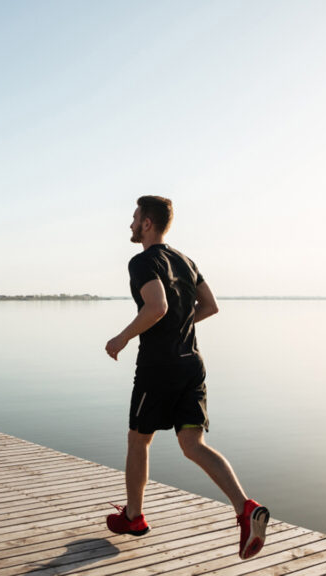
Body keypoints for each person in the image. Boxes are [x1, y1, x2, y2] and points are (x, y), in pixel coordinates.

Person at [104, 195, 269, 560]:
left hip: (158, 367)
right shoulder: (186, 261)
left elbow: (157, 306)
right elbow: (209, 306)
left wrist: (123, 337)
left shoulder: (143, 261)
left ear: (148, 223)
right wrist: (181, 325)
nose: (130, 224)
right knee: (193, 445)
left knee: (138, 440)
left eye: (134, 218)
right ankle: (245, 508)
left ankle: (134, 517)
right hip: (191, 363)